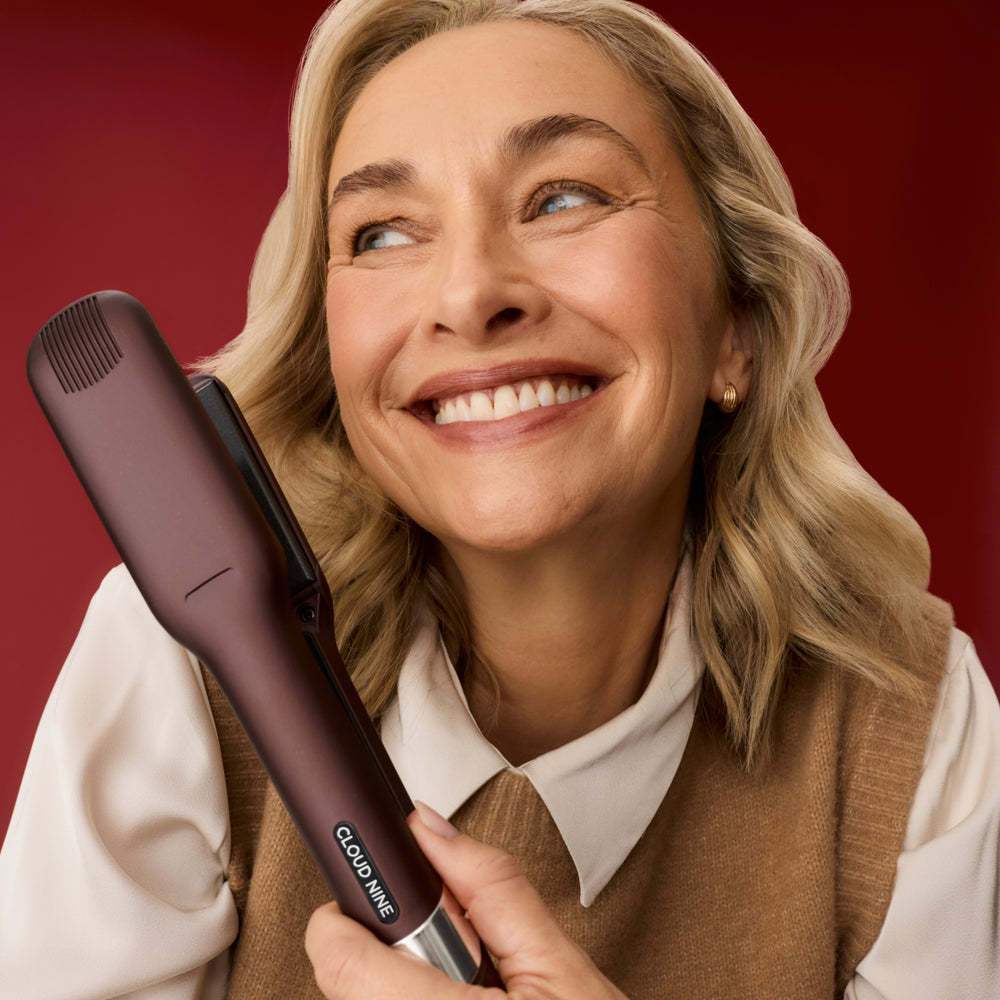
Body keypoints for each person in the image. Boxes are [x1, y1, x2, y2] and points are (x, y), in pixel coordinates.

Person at [1, 0, 998, 998]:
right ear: (332, 354)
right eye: (384, 231)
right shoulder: (179, 662)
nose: (471, 293)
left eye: (562, 197)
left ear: (735, 324)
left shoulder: (907, 732)